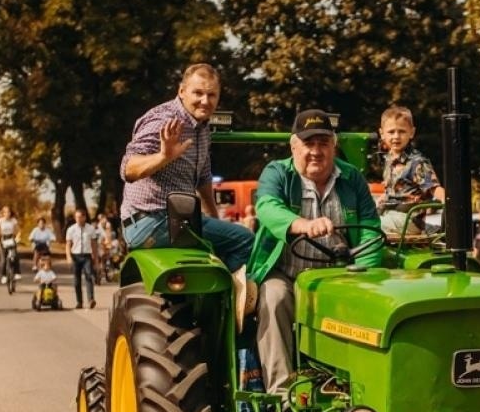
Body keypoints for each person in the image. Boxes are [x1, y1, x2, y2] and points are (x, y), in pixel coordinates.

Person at [248, 109, 384, 393]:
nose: (316, 151)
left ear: (334, 146)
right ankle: (282, 394)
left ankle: (360, 389)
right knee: (273, 299)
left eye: (323, 143)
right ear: (294, 146)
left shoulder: (352, 178)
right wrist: (302, 225)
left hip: (340, 275)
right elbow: (267, 208)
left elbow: (370, 225)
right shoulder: (277, 173)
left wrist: (367, 275)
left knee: (373, 307)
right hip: (286, 273)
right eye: (309, 144)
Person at [119, 62, 253, 293]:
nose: (205, 100)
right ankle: (227, 300)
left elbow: (203, 178)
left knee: (225, 241)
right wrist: (163, 156)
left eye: (212, 95)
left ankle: (215, 305)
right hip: (151, 220)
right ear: (182, 91)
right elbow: (128, 169)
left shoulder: (202, 128)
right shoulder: (164, 121)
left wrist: (214, 216)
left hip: (177, 219)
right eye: (198, 93)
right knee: (245, 240)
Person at [377, 104, 444, 239]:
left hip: (408, 219)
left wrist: (448, 201)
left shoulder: (416, 162)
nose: (396, 136)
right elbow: (394, 190)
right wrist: (383, 197)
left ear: (411, 133)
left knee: (365, 226)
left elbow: (434, 188)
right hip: (390, 214)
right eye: (391, 132)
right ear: (382, 134)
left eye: (402, 131)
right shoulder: (388, 159)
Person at [66, 208, 100, 309]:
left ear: (85, 217)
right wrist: (68, 257)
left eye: (80, 217)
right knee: (77, 280)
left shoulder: (90, 229)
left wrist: (96, 259)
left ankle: (91, 300)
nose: (79, 219)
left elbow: (94, 245)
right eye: (77, 217)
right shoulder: (71, 229)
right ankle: (79, 302)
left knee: (89, 276)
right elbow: (68, 244)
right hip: (75, 256)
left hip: (87, 256)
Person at [0, 205, 22, 283]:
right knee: (3, 260)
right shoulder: (0, 221)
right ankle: (4, 275)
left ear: (11, 213)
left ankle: (17, 273)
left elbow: (19, 231)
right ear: (3, 213)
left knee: (15, 255)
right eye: (5, 212)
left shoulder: (13, 220)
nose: (7, 213)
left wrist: (17, 237)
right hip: (3, 239)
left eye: (8, 212)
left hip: (11, 238)